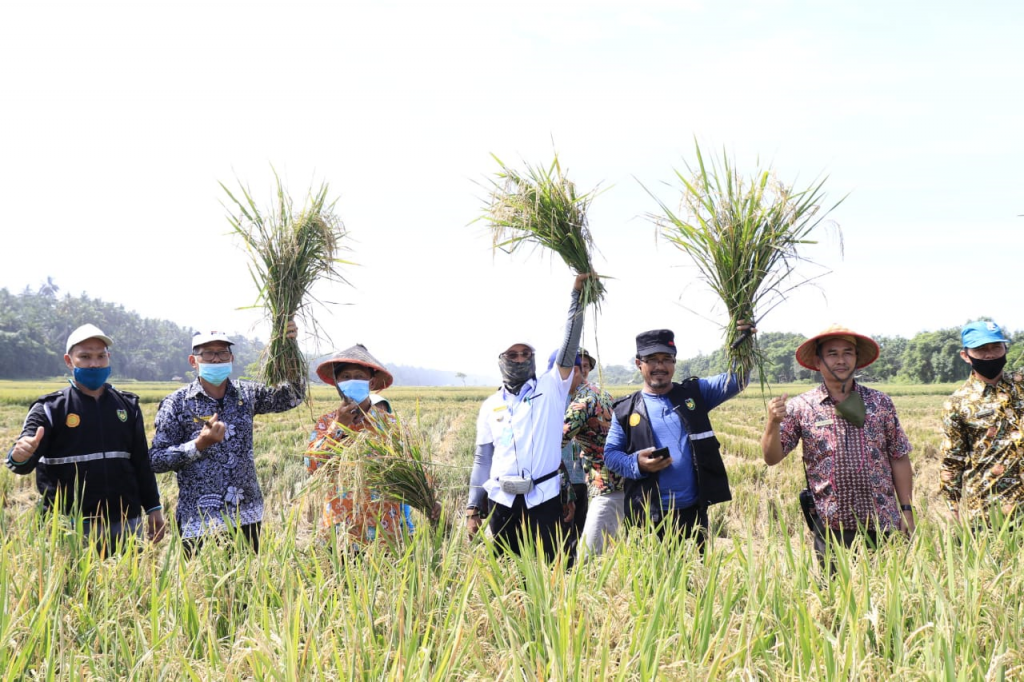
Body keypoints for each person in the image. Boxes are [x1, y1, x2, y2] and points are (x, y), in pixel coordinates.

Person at [761, 325, 914, 567]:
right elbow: (772, 457)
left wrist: (907, 509)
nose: (841, 360)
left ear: (857, 359)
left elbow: (899, 456)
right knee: (835, 597)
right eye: (832, 353)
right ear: (818, 361)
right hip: (832, 526)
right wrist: (772, 422)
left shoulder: (880, 402)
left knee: (888, 595)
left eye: (848, 353)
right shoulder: (801, 407)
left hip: (883, 521)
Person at [6, 324, 165, 551]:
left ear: (108, 358)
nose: (94, 363)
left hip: (126, 523)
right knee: (73, 586)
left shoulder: (127, 405)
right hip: (69, 526)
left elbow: (141, 462)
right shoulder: (49, 408)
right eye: (85, 357)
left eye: (101, 356)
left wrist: (153, 507)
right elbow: (19, 464)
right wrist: (20, 454)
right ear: (69, 361)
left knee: (129, 583)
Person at [149, 324, 304, 555]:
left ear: (231, 358)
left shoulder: (246, 394)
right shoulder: (177, 403)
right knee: (202, 589)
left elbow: (293, 396)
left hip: (246, 514)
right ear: (194, 361)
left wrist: (289, 344)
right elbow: (156, 460)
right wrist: (199, 445)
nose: (216, 359)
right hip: (199, 520)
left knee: (247, 585)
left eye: (222, 353)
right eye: (208, 353)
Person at [465, 274, 589, 560]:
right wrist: (473, 507)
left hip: (544, 498)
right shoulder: (491, 406)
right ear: (501, 360)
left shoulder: (551, 388)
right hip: (502, 500)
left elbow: (569, 346)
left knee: (549, 571)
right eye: (513, 355)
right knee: (506, 572)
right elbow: (483, 459)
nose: (520, 360)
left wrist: (577, 298)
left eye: (525, 354)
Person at [604, 326, 751, 551]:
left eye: (667, 359)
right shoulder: (625, 410)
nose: (660, 366)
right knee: (651, 583)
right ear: (638, 363)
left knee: (695, 581)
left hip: (692, 513)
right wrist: (637, 464)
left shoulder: (695, 393)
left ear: (674, 362)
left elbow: (738, 379)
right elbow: (611, 455)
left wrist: (743, 339)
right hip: (647, 517)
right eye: (651, 359)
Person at [305, 344, 417, 546]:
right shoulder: (326, 422)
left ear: (371, 381)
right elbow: (312, 466)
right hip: (339, 532)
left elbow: (414, 469)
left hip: (385, 533)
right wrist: (338, 427)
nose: (351, 380)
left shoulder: (391, 425)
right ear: (338, 383)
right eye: (345, 377)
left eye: (359, 375)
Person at [939, 320, 1024, 527]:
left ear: (1005, 348)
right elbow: (952, 460)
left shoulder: (1021, 385)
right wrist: (952, 508)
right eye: (981, 349)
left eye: (996, 347)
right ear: (965, 356)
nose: (990, 355)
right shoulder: (958, 402)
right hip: (988, 510)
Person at [561, 349, 616, 558]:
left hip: (603, 482)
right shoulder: (602, 393)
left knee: (588, 554)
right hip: (614, 479)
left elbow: (554, 444)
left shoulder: (581, 403)